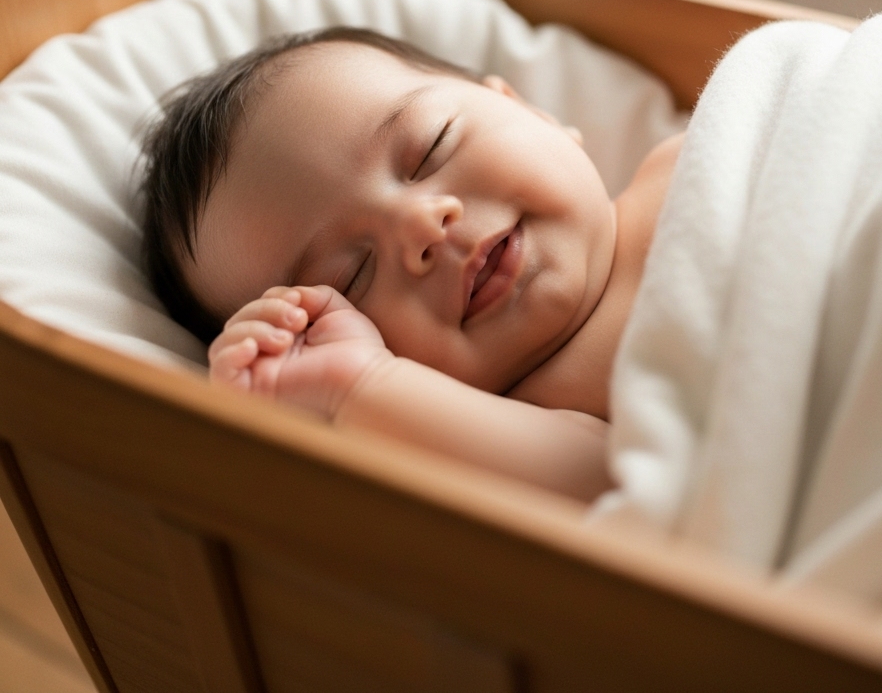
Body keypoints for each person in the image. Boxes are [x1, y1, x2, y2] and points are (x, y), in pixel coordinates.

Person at [141, 27, 683, 501]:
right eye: (350, 278)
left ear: (527, 108)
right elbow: (622, 499)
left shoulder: (698, 151)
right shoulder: (540, 423)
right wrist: (358, 384)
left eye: (432, 149)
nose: (422, 227)